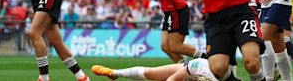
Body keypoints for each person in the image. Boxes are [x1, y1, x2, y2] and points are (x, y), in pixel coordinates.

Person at [91, 58, 229, 81]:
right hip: (187, 70)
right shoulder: (199, 65)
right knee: (149, 73)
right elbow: (171, 79)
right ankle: (114, 73)